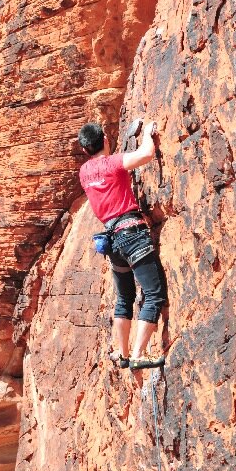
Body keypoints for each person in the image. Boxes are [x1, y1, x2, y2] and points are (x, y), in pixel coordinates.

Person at [78, 121, 166, 370]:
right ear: (105, 140)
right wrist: (149, 134)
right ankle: (138, 354)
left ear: (85, 150)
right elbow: (146, 154)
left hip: (112, 242)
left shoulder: (84, 172)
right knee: (154, 294)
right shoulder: (112, 163)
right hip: (132, 234)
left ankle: (123, 352)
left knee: (125, 297)